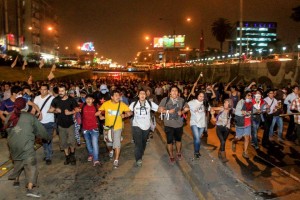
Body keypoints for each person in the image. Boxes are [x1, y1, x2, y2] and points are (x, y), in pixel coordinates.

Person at [6, 98, 50, 198]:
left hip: (13, 145)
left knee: (17, 161)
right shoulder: (30, 117)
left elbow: (8, 130)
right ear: (26, 106)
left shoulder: (9, 116)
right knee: (31, 165)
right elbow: (40, 131)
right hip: (26, 145)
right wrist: (47, 138)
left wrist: (17, 132)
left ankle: (16, 181)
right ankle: (30, 189)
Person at [99, 90, 131, 168]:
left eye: (119, 95)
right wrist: (100, 116)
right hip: (107, 127)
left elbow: (130, 112)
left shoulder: (122, 104)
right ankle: (110, 150)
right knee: (108, 143)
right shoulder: (106, 104)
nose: (118, 97)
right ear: (112, 97)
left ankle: (116, 160)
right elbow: (99, 111)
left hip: (117, 127)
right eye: (116, 95)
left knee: (117, 144)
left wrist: (125, 115)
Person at [48, 85, 79, 165]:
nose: (61, 92)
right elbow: (50, 110)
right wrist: (55, 110)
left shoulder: (71, 100)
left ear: (66, 91)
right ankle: (67, 157)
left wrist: (70, 112)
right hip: (61, 125)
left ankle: (72, 155)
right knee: (63, 142)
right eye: (59, 91)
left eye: (62, 91)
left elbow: (77, 109)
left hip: (70, 124)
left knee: (72, 141)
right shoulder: (55, 100)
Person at [129, 90, 159, 166]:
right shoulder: (134, 104)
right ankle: (138, 159)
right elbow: (128, 111)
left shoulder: (149, 103)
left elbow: (159, 109)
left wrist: (168, 111)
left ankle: (140, 152)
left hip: (146, 126)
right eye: (140, 93)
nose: (142, 95)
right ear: (138, 95)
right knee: (138, 144)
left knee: (143, 142)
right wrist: (124, 114)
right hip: (136, 126)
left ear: (146, 95)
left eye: (144, 94)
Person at [158, 86, 185, 164]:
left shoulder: (181, 100)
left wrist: (182, 112)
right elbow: (159, 110)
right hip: (168, 124)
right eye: (172, 90)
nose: (174, 92)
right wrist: (168, 111)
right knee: (169, 141)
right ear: (170, 92)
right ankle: (171, 155)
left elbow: (187, 107)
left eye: (176, 90)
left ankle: (179, 152)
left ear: (178, 92)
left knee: (178, 140)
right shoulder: (165, 100)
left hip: (179, 124)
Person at [183, 91, 209, 159]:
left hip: (202, 123)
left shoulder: (205, 103)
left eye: (203, 97)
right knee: (197, 138)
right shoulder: (192, 102)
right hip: (194, 122)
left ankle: (196, 150)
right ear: (197, 96)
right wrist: (183, 110)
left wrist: (213, 111)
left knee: (197, 139)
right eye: (200, 96)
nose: (201, 98)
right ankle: (196, 152)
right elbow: (186, 107)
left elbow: (211, 109)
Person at [33, 84, 55, 165]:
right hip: (40, 122)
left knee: (47, 139)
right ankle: (48, 152)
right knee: (43, 140)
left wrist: (53, 110)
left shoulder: (52, 98)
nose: (43, 91)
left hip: (49, 121)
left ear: (47, 90)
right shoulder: (36, 98)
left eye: (44, 89)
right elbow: (33, 109)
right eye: (41, 89)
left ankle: (48, 156)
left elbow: (55, 108)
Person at [81, 94, 101, 166]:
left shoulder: (96, 106)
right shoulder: (82, 106)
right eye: (87, 99)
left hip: (94, 128)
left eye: (90, 99)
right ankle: (90, 154)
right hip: (85, 128)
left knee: (95, 144)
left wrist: (100, 113)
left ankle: (96, 159)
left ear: (93, 100)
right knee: (88, 143)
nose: (88, 100)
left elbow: (103, 111)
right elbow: (75, 108)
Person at [232, 91, 253, 159]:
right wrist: (242, 112)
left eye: (250, 95)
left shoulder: (251, 103)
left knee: (247, 137)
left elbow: (254, 111)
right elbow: (236, 112)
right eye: (248, 95)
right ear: (245, 96)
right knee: (239, 138)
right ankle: (234, 141)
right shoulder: (241, 102)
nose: (249, 97)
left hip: (248, 122)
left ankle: (245, 152)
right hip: (241, 123)